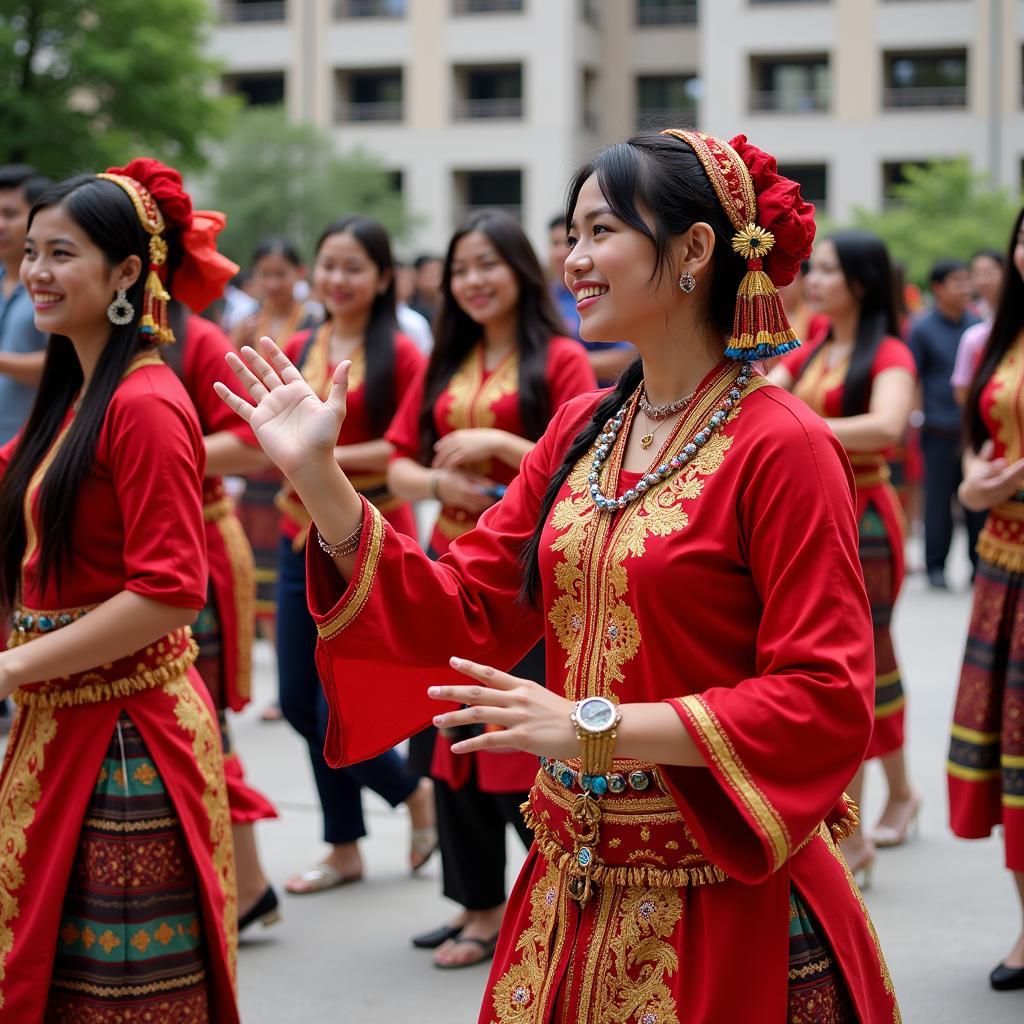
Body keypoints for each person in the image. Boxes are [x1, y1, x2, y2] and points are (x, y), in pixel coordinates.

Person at [219, 129, 900, 1021]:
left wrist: (591, 724)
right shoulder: (586, 427)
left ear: (696, 249)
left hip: (723, 892)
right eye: (570, 236)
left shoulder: (785, 446)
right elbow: (464, 612)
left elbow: (825, 696)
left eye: (601, 232)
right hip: (571, 886)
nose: (573, 260)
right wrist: (320, 477)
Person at [0, 163, 238, 1019]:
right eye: (31, 252)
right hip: (63, 724)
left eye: (61, 253)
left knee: (120, 997)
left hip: (126, 743)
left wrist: (7, 668)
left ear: (128, 273)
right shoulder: (75, 395)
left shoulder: (143, 403)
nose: (35, 271)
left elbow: (173, 592)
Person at [386, 209, 596, 968]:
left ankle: (555, 901)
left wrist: (503, 446)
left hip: (528, 574)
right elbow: (401, 464)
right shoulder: (446, 358)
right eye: (460, 269)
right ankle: (475, 906)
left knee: (515, 743)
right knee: (451, 743)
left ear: (518, 271)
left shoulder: (562, 359)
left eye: (487, 265)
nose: (472, 281)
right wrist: (441, 479)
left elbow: (583, 452)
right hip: (452, 562)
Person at [273, 215, 435, 895]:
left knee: (338, 699)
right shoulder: (298, 342)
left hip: (365, 540)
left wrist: (317, 449)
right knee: (296, 701)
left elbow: (409, 451)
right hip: (292, 533)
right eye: (328, 264)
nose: (337, 279)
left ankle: (372, 822)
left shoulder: (400, 352)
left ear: (382, 278)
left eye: (353, 267)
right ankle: (367, 828)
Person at [770, 229, 920, 883]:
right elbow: (760, 397)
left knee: (866, 660)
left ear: (860, 279)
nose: (815, 279)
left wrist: (796, 432)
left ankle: (885, 801)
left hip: (865, 517)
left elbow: (887, 429)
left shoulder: (889, 351)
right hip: (816, 512)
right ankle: (868, 810)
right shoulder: (816, 348)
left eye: (827, 269)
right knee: (835, 660)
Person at [949, 205, 1024, 993]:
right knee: (1013, 754)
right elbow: (974, 444)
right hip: (1005, 563)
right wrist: (973, 485)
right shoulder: (1000, 339)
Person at [232, 239, 318, 650]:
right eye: (264, 274)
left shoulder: (314, 323)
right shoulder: (250, 322)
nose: (271, 282)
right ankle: (278, 648)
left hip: (295, 453)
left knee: (297, 562)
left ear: (299, 275)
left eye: (280, 274)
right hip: (258, 456)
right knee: (263, 562)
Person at [909, 259, 983, 587]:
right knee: (937, 502)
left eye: (967, 280)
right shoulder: (923, 328)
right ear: (938, 287)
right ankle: (935, 567)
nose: (965, 287)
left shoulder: (977, 325)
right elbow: (913, 376)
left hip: (973, 430)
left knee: (976, 500)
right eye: (957, 281)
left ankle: (978, 565)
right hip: (937, 428)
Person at [547, 212, 634, 386]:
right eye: (554, 244)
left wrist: (565, 365)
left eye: (568, 243)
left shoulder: (603, 293)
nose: (559, 252)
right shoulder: (546, 297)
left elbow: (630, 356)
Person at [0, 165, 52, 446]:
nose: (0, 225)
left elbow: (64, 362)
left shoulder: (50, 286)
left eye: (10, 214)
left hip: (26, 448)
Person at [952, 249, 1006, 406]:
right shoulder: (974, 336)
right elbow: (962, 390)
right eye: (977, 274)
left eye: (989, 272)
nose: (983, 280)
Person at [408, 253, 443, 324]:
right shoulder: (407, 305)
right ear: (415, 275)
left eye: (438, 274)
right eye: (430, 274)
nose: (435, 280)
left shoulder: (445, 306)